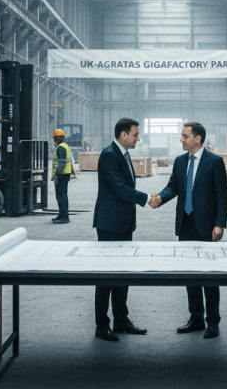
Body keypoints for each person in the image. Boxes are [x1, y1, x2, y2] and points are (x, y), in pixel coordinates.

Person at [155, 122, 227, 339]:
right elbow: (173, 187)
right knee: (190, 274)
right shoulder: (179, 161)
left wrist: (220, 224)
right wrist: (160, 198)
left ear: (197, 138)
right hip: (185, 224)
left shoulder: (214, 162)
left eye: (185, 136)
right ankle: (195, 318)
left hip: (206, 226)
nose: (181, 139)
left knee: (209, 276)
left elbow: (222, 196)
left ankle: (212, 322)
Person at [93, 117, 156, 342]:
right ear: (123, 135)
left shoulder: (124, 154)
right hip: (109, 225)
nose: (138, 138)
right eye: (136, 135)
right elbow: (120, 189)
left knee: (122, 274)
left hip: (123, 223)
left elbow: (126, 189)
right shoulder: (109, 155)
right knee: (106, 277)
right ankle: (102, 326)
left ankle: (121, 320)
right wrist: (148, 198)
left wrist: (132, 219)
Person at [51, 129, 73, 224]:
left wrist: (57, 175)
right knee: (62, 195)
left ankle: (64, 217)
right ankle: (61, 214)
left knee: (61, 196)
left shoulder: (60, 147)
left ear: (56, 139)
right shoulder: (64, 146)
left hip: (62, 175)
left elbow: (62, 163)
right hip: (64, 174)